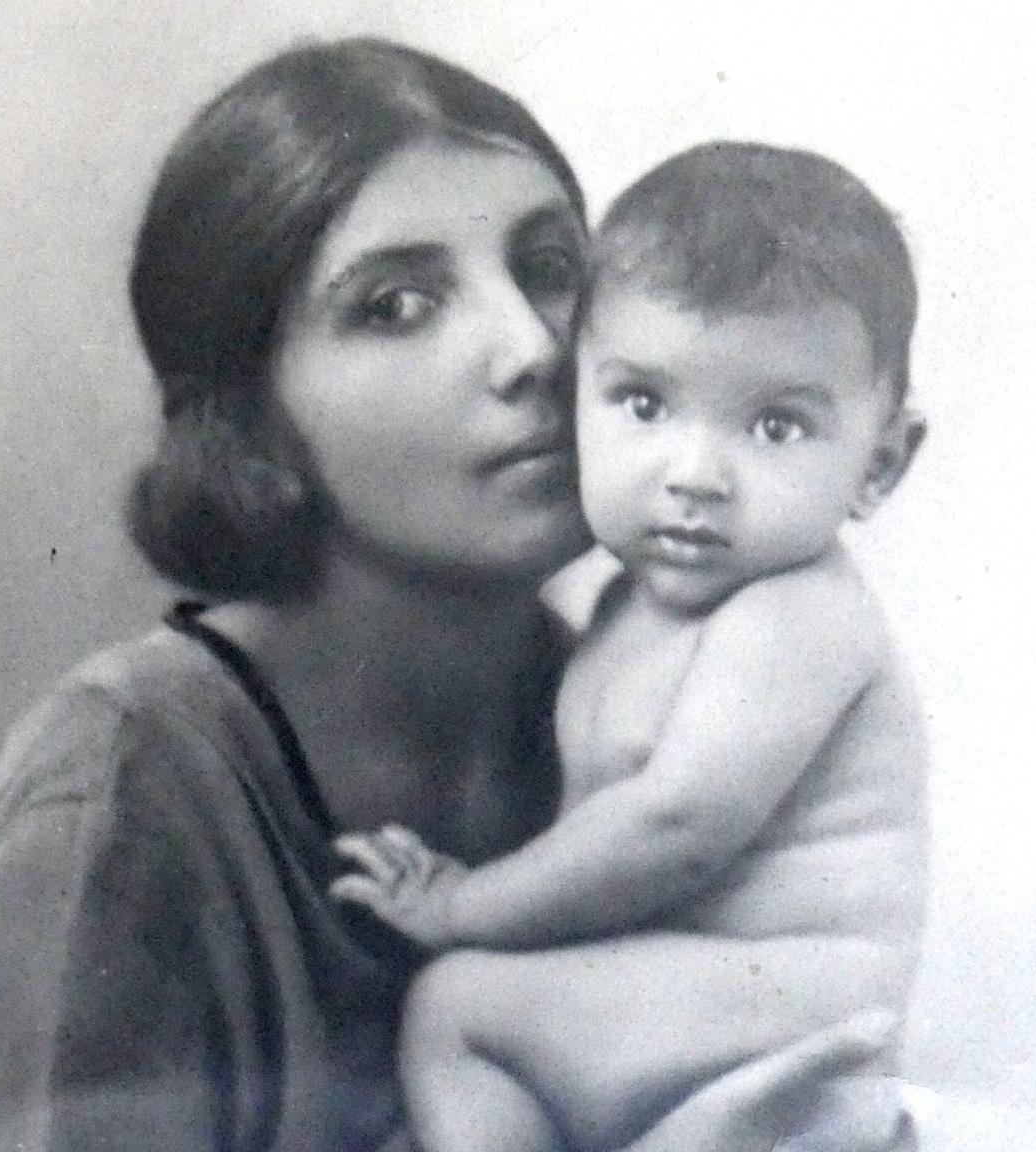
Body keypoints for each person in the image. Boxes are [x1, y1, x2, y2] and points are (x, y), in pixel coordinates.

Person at [0, 39, 910, 1151]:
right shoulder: (119, 798)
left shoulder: (625, 698)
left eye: (550, 270)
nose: (532, 348)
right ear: (254, 422)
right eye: (397, 305)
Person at [332, 142, 929, 1152]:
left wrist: (462, 904)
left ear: (880, 464)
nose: (695, 473)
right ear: (577, 397)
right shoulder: (624, 609)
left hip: (798, 1007)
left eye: (776, 426)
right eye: (645, 405)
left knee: (457, 1009)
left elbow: (674, 826)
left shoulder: (797, 615)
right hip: (697, 1000)